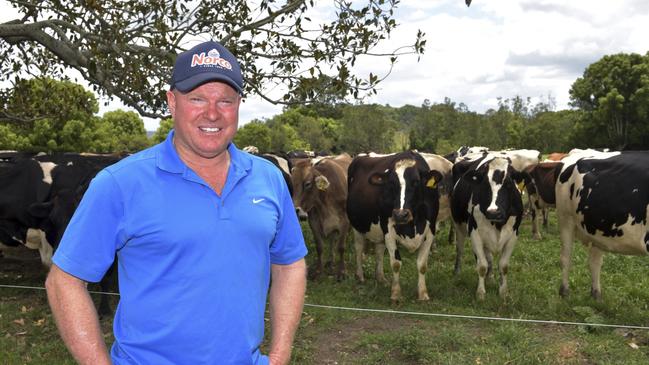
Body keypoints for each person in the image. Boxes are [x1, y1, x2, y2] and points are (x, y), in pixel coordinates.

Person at [45, 40, 308, 365]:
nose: (212, 113)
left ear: (239, 104)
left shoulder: (267, 179)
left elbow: (290, 262)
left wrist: (279, 356)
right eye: (197, 98)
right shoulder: (121, 184)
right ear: (172, 101)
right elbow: (65, 280)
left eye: (225, 100)